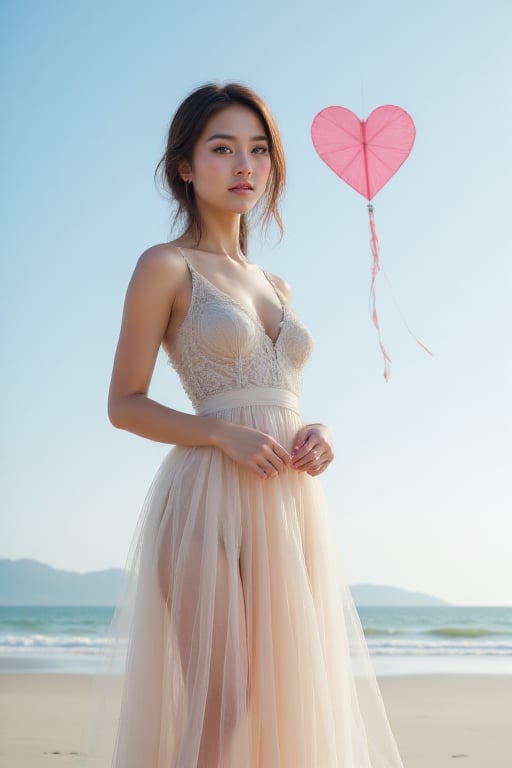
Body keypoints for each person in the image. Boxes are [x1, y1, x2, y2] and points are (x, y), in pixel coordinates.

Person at [87, 82, 405, 768]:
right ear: (184, 165)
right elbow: (124, 403)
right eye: (223, 148)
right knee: (224, 697)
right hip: (204, 495)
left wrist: (316, 431)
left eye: (258, 151)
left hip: (286, 498)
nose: (245, 166)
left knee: (284, 695)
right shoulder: (165, 266)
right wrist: (219, 434)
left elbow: (278, 390)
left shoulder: (275, 285)